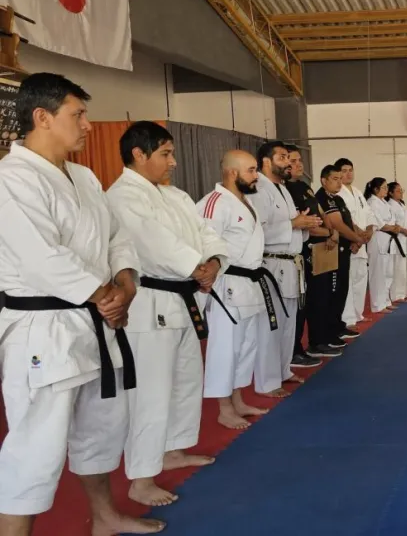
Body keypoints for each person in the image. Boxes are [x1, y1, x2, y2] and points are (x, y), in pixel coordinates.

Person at [0, 73, 164, 536]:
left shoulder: (85, 176)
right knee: (36, 445)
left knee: (99, 429)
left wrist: (125, 286)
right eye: (79, 114)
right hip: (44, 327)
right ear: (42, 117)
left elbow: (117, 238)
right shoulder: (12, 179)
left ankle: (106, 517)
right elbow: (40, 256)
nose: (88, 124)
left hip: (97, 321)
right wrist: (103, 295)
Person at [106, 121, 229, 507]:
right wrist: (195, 266)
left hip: (183, 300)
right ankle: (141, 477)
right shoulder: (123, 196)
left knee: (185, 380)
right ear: (138, 154)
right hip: (148, 304)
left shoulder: (174, 195)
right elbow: (153, 242)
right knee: (152, 393)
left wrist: (212, 262)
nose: (173, 162)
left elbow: (205, 231)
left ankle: (173, 449)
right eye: (165, 154)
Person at [197, 150, 277, 431]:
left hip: (250, 282)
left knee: (246, 345)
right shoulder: (215, 203)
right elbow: (204, 243)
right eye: (252, 170)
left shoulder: (245, 202)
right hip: (226, 283)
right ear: (232, 172)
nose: (256, 176)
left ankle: (238, 398)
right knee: (225, 347)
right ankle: (224, 408)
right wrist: (206, 278)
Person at [246, 141, 323, 399]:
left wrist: (304, 224)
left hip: (291, 261)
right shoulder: (258, 189)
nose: (288, 162)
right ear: (266, 161)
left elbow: (291, 225)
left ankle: (282, 369)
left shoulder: (283, 189)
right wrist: (294, 223)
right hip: (272, 262)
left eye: (289, 158)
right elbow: (258, 230)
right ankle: (267, 381)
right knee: (273, 322)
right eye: (282, 157)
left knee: (290, 320)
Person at [282, 145, 327, 367]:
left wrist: (328, 229)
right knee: (293, 307)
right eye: (292, 160)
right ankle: (291, 351)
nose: (299, 164)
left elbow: (317, 214)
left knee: (306, 303)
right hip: (287, 255)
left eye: (300, 160)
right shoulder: (280, 189)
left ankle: (299, 346)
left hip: (303, 250)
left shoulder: (301, 187)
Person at [318, 164, 368, 343]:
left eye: (341, 179)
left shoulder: (338, 199)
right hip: (331, 251)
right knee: (332, 291)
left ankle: (338, 325)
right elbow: (337, 224)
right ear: (324, 180)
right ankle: (329, 331)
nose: (339, 182)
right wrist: (357, 238)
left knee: (342, 290)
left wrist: (356, 237)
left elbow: (349, 221)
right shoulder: (323, 198)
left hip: (344, 249)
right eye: (335, 179)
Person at [337, 158, 374, 329]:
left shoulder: (358, 192)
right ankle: (348, 317)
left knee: (360, 278)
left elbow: (368, 214)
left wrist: (368, 232)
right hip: (349, 241)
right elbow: (345, 219)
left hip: (361, 242)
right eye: (344, 170)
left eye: (350, 170)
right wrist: (357, 236)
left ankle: (358, 313)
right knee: (348, 281)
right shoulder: (338, 193)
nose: (348, 173)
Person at [365, 177, 400, 314]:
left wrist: (394, 227)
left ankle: (386, 301)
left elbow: (392, 220)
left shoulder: (384, 203)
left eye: (386, 187)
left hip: (388, 240)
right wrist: (392, 228)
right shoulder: (372, 202)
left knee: (388, 272)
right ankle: (377, 304)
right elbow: (378, 223)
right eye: (384, 187)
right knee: (378, 273)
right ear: (375, 189)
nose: (386, 190)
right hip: (378, 239)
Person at [386, 182, 407, 303]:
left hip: (404, 238)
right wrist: (403, 230)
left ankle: (405, 292)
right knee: (398, 268)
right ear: (390, 193)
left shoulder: (401, 204)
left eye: (402, 190)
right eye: (398, 190)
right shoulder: (390, 205)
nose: (401, 192)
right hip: (396, 238)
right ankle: (397, 295)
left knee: (406, 268)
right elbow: (392, 223)